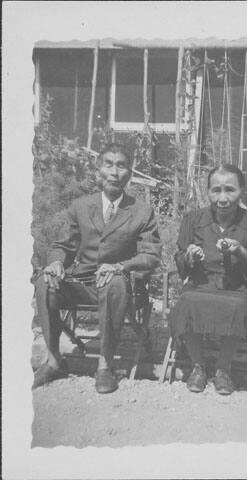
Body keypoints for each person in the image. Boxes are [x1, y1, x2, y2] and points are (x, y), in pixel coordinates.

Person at [33, 143, 161, 393]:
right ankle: (54, 359)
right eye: (108, 164)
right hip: (82, 283)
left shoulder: (142, 211)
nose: (114, 172)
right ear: (98, 171)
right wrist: (56, 261)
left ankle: (104, 366)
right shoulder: (80, 206)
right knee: (45, 282)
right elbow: (62, 245)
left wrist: (120, 267)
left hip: (120, 285)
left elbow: (151, 255)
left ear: (130, 173)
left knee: (113, 282)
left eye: (121, 165)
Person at [170, 164, 247, 395]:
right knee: (187, 302)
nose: (223, 198)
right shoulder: (192, 219)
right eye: (216, 190)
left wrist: (241, 252)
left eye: (230, 190)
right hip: (201, 284)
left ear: (242, 190)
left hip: (239, 287)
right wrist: (189, 255)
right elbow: (180, 261)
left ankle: (223, 369)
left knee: (235, 306)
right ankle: (198, 366)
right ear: (207, 192)